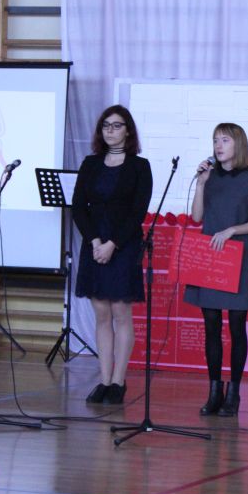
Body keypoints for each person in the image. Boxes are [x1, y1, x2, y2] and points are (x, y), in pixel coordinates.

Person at [184, 123, 248, 417]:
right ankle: (214, 391)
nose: (218, 146)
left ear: (238, 145)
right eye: (215, 140)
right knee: (211, 326)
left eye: (224, 140)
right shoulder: (210, 177)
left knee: (236, 326)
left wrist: (232, 230)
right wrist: (201, 184)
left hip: (239, 260)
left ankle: (234, 393)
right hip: (211, 260)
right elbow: (197, 217)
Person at [72, 105, 153, 405]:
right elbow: (78, 207)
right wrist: (95, 241)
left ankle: (119, 381)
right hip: (93, 243)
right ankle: (104, 380)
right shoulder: (90, 163)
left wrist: (112, 244)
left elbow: (138, 212)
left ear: (128, 131)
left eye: (117, 125)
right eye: (106, 125)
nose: (110, 130)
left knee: (121, 313)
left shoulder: (139, 166)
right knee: (101, 314)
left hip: (123, 245)